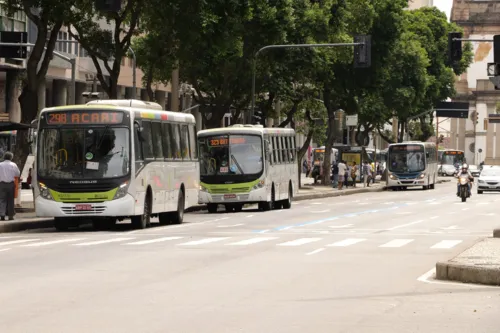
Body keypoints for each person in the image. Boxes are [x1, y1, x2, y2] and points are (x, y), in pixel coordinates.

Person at [0, 151, 20, 220]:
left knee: (2, 199)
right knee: (10, 200)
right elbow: (17, 174)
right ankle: (10, 216)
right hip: (11, 184)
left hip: (2, 184)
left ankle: (2, 214)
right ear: (11, 157)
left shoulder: (0, 164)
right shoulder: (13, 165)